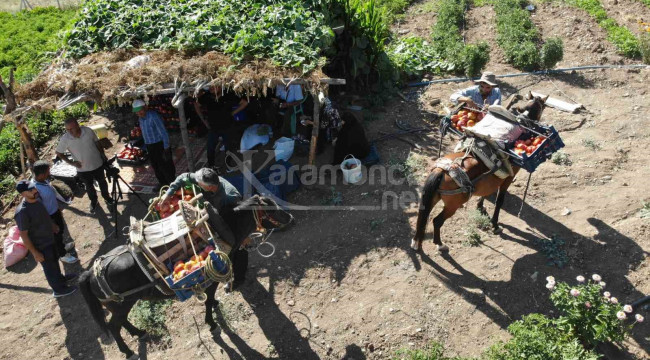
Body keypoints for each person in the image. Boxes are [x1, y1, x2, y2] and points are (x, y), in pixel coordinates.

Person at [159, 168, 247, 290]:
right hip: (209, 219)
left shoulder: (230, 196)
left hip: (227, 222)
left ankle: (239, 279)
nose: (196, 183)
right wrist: (168, 194)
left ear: (209, 187)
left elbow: (236, 217)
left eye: (199, 184)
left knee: (238, 249)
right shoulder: (202, 180)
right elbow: (184, 176)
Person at [14, 180, 77, 298]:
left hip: (50, 238)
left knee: (55, 261)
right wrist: (34, 252)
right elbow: (23, 235)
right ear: (23, 194)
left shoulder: (37, 200)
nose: (34, 191)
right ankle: (58, 290)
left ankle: (61, 279)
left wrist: (53, 225)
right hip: (41, 245)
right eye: (30, 190)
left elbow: (45, 215)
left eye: (34, 188)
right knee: (49, 267)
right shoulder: (22, 212)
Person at [56, 118, 113, 214]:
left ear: (77, 126)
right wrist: (72, 163)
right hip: (83, 169)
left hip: (97, 164)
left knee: (102, 182)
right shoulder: (65, 139)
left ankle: (107, 197)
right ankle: (94, 201)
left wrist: (102, 155)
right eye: (67, 130)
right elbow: (59, 153)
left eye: (72, 129)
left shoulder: (88, 131)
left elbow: (97, 143)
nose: (70, 131)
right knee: (89, 187)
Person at [31, 160, 78, 264]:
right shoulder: (35, 189)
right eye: (48, 171)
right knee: (55, 235)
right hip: (49, 217)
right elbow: (39, 209)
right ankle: (62, 255)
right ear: (42, 174)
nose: (50, 172)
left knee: (60, 231)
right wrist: (51, 223)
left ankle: (62, 246)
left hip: (55, 211)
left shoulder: (44, 180)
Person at [193, 86, 248, 168]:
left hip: (227, 126)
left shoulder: (229, 95)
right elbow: (196, 105)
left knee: (228, 148)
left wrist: (233, 113)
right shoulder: (207, 96)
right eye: (210, 87)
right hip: (213, 127)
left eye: (213, 86)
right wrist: (203, 120)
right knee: (210, 148)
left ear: (219, 86)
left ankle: (228, 165)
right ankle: (211, 166)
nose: (211, 88)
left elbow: (244, 103)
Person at [132, 99, 176, 186]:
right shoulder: (140, 119)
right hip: (150, 146)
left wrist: (166, 147)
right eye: (136, 112)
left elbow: (163, 131)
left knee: (165, 166)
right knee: (156, 166)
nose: (138, 113)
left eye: (140, 110)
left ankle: (172, 184)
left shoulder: (153, 116)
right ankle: (163, 183)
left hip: (159, 145)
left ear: (145, 107)